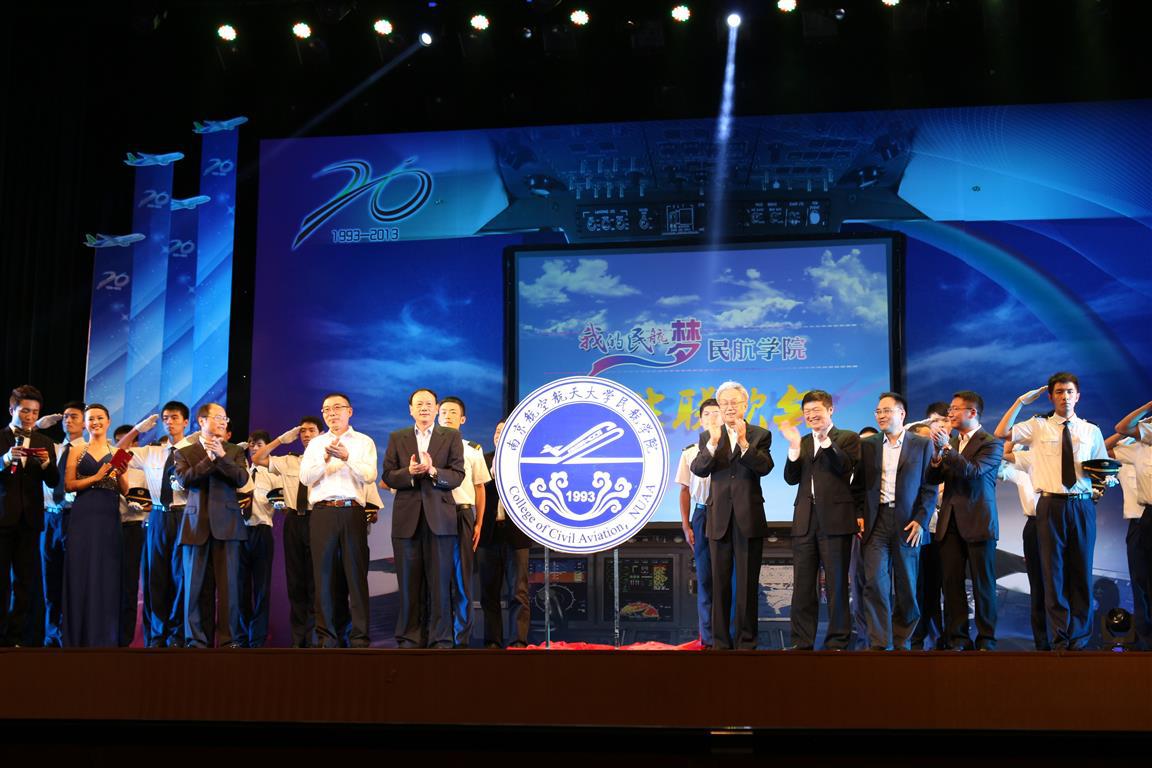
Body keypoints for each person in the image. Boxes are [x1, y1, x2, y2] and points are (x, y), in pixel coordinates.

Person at [995, 374, 1106, 651]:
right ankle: (1058, 637)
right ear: (1051, 396)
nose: (1064, 397)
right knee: (1052, 572)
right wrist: (1020, 402)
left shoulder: (1091, 430)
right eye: (1059, 392)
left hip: (1082, 504)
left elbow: (1102, 467)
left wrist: (1105, 482)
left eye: (1069, 392)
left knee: (1081, 570)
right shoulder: (1038, 426)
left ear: (1077, 396)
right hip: (1049, 504)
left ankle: (1080, 638)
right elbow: (1001, 433)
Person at [691, 381, 774, 650]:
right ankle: (720, 643)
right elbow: (699, 469)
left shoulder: (760, 434)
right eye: (724, 403)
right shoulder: (709, 436)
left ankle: (746, 642)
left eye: (734, 402)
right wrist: (714, 443)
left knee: (747, 585)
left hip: (749, 517)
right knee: (719, 584)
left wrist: (744, 443)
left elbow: (765, 467)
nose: (729, 407)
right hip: (719, 518)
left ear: (745, 405)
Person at [852, 393, 937, 651]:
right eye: (878, 411)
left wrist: (921, 520)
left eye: (887, 411)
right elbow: (858, 486)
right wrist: (859, 514)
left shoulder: (922, 444)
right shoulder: (868, 445)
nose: (881, 415)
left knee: (907, 588)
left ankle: (902, 642)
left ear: (902, 414)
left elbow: (929, 487)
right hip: (876, 522)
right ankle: (881, 644)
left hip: (908, 523)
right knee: (875, 583)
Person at [383, 388, 465, 649]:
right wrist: (408, 472)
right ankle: (410, 637)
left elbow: (457, 475)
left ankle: (440, 638)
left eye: (429, 404)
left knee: (440, 584)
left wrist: (432, 471)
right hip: (406, 520)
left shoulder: (450, 436)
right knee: (408, 584)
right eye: (418, 404)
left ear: (436, 408)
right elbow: (387, 476)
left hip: (440, 520)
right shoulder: (397, 437)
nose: (424, 408)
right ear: (411, 410)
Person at [780, 389, 858, 650]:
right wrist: (793, 447)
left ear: (830, 410)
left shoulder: (847, 438)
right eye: (807, 412)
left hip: (836, 520)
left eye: (816, 410)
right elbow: (791, 478)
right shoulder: (802, 441)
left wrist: (825, 440)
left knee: (836, 583)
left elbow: (845, 467)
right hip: (805, 520)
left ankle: (837, 641)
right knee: (803, 585)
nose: (811, 416)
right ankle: (801, 641)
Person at [299, 392, 378, 648]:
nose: (331, 413)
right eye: (326, 409)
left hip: (352, 511)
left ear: (349, 411)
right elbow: (305, 478)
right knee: (323, 577)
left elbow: (369, 475)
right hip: (323, 512)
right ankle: (327, 637)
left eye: (337, 408)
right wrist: (324, 461)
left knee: (356, 576)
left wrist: (347, 458)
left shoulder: (363, 442)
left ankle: (359, 637)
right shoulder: (315, 444)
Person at [929, 390, 1003, 651]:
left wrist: (946, 448)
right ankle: (958, 638)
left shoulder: (990, 443)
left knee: (983, 584)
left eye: (955, 409)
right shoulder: (951, 442)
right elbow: (933, 478)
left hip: (979, 520)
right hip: (949, 521)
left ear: (972, 412)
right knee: (951, 583)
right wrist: (936, 456)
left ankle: (986, 639)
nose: (949, 413)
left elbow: (973, 472)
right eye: (949, 409)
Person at [175, 402, 249, 648]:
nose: (222, 422)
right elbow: (185, 479)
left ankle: (229, 640)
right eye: (218, 417)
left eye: (225, 419)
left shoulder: (234, 451)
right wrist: (209, 459)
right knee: (194, 588)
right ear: (202, 421)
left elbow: (241, 478)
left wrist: (222, 457)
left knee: (229, 588)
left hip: (228, 525)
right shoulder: (185, 452)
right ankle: (196, 640)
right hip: (195, 525)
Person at [251, 415, 323, 647]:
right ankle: (299, 640)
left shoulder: (327, 459)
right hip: (294, 521)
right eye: (303, 431)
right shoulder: (290, 460)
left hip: (318, 519)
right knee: (296, 582)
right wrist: (281, 440)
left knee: (317, 581)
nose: (306, 435)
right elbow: (257, 458)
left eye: (311, 430)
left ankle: (318, 639)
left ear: (321, 434)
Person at [124, 401, 190, 647]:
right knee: (155, 576)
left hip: (184, 515)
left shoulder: (194, 451)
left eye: (174, 418)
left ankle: (177, 635)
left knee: (180, 577)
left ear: (185, 422)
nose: (169, 422)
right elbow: (115, 454)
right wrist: (136, 430)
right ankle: (157, 634)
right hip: (158, 517)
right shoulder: (151, 452)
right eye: (166, 418)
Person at [0, 385, 59, 646]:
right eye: (25, 411)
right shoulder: (1, 438)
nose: (30, 417)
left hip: (30, 521)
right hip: (2, 518)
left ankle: (15, 638)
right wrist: (4, 459)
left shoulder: (44, 442)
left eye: (35, 412)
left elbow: (54, 481)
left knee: (24, 581)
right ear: (12, 410)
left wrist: (46, 464)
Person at [62, 404, 123, 647]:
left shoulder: (117, 451)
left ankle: (104, 637)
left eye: (100, 418)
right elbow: (68, 485)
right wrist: (96, 478)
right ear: (85, 424)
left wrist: (121, 474)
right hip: (83, 515)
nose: (95, 422)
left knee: (106, 572)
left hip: (108, 516)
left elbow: (125, 489)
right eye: (90, 419)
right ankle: (77, 636)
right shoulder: (77, 450)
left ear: (108, 421)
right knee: (80, 570)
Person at [437, 396, 491, 648]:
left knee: (462, 578)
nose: (447, 416)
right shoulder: (427, 448)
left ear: (462, 419)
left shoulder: (472, 449)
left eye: (452, 412)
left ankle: (462, 639)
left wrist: (478, 523)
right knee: (437, 577)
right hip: (436, 515)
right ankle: (440, 637)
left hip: (462, 515)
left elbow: (480, 488)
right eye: (443, 412)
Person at [477, 420, 532, 649]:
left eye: (505, 431)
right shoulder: (482, 460)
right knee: (488, 593)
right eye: (497, 431)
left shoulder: (524, 460)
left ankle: (518, 641)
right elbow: (477, 491)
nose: (500, 434)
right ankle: (492, 641)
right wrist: (492, 476)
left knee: (518, 592)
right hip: (488, 534)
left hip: (516, 536)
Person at [676, 398, 720, 648]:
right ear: (701, 420)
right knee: (704, 578)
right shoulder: (690, 452)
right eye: (707, 414)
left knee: (728, 578)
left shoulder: (733, 449)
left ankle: (728, 636)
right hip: (702, 514)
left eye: (717, 413)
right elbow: (684, 491)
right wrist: (686, 525)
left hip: (727, 515)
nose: (713, 418)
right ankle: (708, 638)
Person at [40, 400, 84, 647]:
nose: (68, 420)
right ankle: (51, 634)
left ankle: (70, 633)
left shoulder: (89, 449)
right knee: (50, 578)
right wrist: (38, 426)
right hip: (49, 516)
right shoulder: (52, 447)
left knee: (72, 578)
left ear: (85, 422)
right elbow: (24, 442)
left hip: (74, 516)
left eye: (74, 416)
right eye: (66, 416)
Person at [1112, 400, 1152, 650]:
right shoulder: (1140, 448)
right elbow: (1121, 429)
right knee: (1141, 579)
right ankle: (1146, 639)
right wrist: (1148, 408)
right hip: (1145, 517)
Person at [999, 441, 1047, 650]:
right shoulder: (1023, 468)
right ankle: (1042, 641)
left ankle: (1066, 639)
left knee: (1060, 582)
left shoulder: (1060, 464)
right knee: (1037, 583)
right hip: (1035, 525)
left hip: (1059, 522)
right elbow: (998, 466)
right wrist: (1016, 441)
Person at [910, 402, 949, 651]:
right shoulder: (909, 461)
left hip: (940, 532)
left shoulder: (946, 455)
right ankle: (916, 638)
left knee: (936, 589)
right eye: (933, 423)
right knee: (917, 588)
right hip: (916, 531)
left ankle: (937, 639)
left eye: (943, 422)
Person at [239, 431, 281, 648]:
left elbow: (282, 502)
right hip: (240, 533)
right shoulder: (240, 471)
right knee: (240, 587)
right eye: (252, 444)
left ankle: (257, 638)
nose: (254, 448)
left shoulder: (274, 475)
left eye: (259, 444)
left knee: (262, 588)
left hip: (262, 531)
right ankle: (241, 636)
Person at [115, 423, 149, 646]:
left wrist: (142, 505)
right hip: (110, 528)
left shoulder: (143, 469)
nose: (125, 445)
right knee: (108, 582)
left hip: (134, 528)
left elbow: (150, 501)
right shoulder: (111, 466)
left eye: (130, 441)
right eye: (121, 441)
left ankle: (125, 638)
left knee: (129, 584)